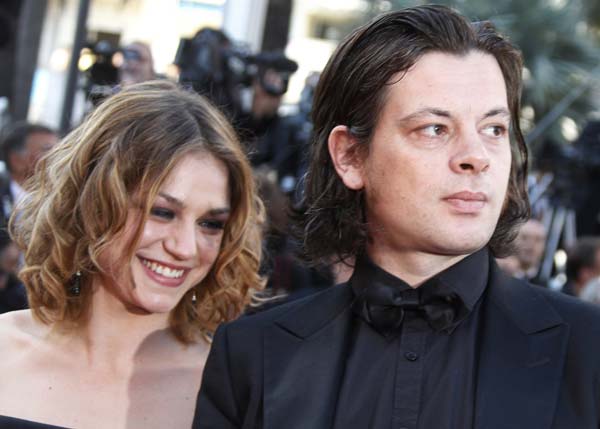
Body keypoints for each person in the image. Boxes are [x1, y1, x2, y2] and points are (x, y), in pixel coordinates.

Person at [194, 5, 600, 429]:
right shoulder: (253, 354)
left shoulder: (587, 349)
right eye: (434, 129)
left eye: (494, 129)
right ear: (351, 156)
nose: (476, 157)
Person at [0, 80, 263, 428]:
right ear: (93, 203)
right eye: (162, 212)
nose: (185, 248)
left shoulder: (236, 392)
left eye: (210, 224)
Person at [0, 122, 58, 226]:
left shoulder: (60, 199)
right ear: (16, 160)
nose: (57, 156)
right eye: (47, 149)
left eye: (58, 149)